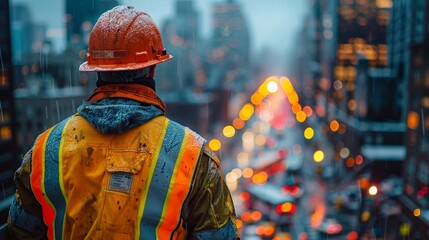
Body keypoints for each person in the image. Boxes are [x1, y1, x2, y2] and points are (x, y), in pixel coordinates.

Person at [7, 6, 240, 240]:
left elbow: (19, 233)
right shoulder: (192, 154)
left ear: (95, 68)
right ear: (153, 68)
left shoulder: (44, 150)